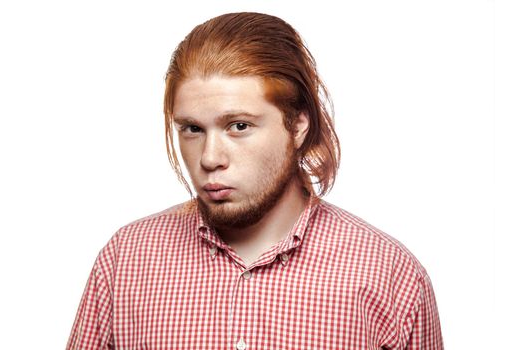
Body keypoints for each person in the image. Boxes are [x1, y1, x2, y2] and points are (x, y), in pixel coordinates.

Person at [67, 12, 443, 349]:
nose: (210, 158)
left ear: (297, 125)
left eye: (239, 126)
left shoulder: (390, 275)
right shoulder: (126, 260)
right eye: (193, 129)